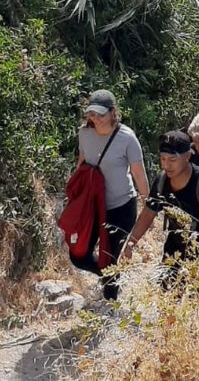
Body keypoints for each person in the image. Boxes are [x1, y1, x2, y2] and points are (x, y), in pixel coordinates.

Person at [123, 131, 199, 278]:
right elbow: (148, 214)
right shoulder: (161, 182)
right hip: (175, 253)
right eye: (163, 159)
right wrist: (130, 244)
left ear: (187, 156)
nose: (166, 165)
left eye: (172, 160)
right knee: (168, 290)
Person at [72, 89, 149, 301]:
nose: (95, 118)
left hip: (121, 206)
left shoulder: (127, 137)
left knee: (110, 256)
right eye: (91, 113)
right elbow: (82, 163)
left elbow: (139, 174)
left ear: (113, 112)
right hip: (92, 206)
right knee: (78, 255)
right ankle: (110, 276)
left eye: (100, 114)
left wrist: (148, 205)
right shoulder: (84, 134)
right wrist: (75, 192)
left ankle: (110, 305)